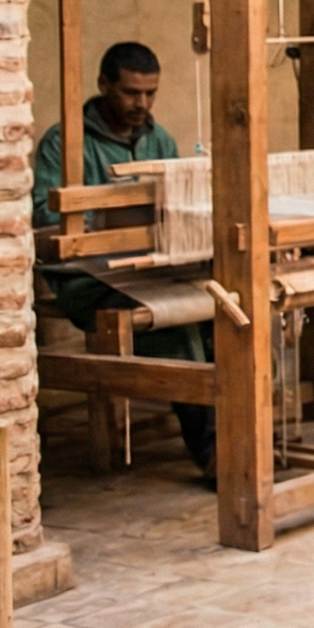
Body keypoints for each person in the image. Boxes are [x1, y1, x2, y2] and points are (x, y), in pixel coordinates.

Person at [31, 42, 218, 477]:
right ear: (103, 85)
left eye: (150, 93)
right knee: (179, 329)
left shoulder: (160, 139)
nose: (142, 104)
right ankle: (214, 452)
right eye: (132, 93)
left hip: (153, 270)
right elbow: (45, 214)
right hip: (87, 279)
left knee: (222, 310)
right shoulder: (65, 143)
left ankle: (240, 432)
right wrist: (110, 221)